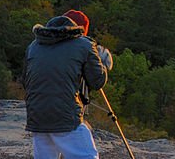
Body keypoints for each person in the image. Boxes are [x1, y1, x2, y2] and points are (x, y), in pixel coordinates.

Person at [23, 12, 112, 159]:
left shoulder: (34, 46)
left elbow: (26, 81)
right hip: (65, 116)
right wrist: (101, 62)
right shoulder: (84, 45)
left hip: (37, 116)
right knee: (87, 156)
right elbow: (97, 82)